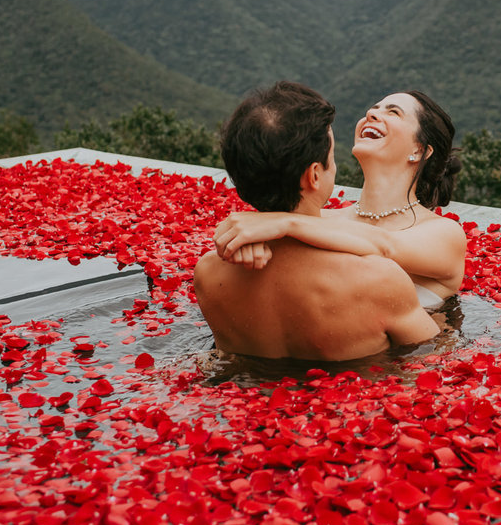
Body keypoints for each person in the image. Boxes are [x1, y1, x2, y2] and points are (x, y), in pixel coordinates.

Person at [193, 82, 438, 360]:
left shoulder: (208, 273)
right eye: (331, 158)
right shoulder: (377, 279)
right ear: (314, 175)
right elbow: (434, 355)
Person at [212, 91, 467, 309]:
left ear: (420, 150)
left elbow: (386, 247)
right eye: (374, 108)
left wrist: (280, 224)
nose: (372, 113)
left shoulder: (443, 232)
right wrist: (241, 235)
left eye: (393, 112)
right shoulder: (322, 221)